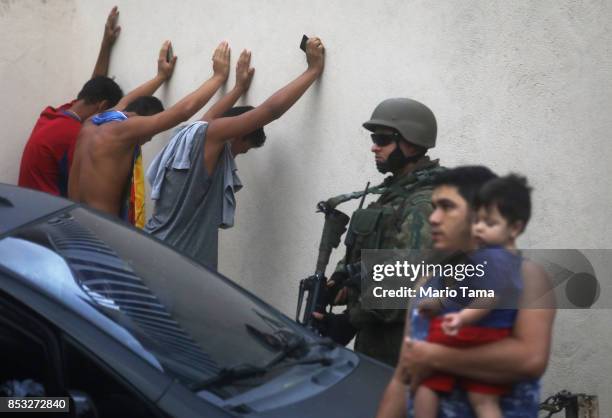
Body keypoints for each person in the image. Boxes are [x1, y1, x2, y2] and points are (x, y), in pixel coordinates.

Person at [375, 166, 556, 418]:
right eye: (434, 206)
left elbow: (530, 359)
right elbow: (402, 377)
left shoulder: (527, 277)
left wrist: (435, 356)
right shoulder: (427, 284)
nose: (433, 218)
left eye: (447, 207)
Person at [143, 37, 326, 270]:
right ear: (239, 134)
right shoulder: (210, 138)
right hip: (174, 267)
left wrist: (238, 88)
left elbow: (210, 116)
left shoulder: (189, 135)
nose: (236, 158)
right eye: (243, 150)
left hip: (152, 247)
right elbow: (270, 111)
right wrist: (312, 70)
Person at [311, 98, 444, 366]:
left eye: (382, 139)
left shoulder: (425, 203)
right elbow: (379, 252)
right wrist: (341, 279)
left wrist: (351, 320)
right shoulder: (395, 194)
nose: (374, 147)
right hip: (379, 342)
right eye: (374, 138)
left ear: (412, 143)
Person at [68, 41, 232, 221]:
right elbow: (182, 112)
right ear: (142, 120)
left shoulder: (93, 122)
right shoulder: (125, 130)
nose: (147, 140)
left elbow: (126, 101)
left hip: (73, 224)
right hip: (99, 232)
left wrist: (160, 77)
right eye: (150, 134)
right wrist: (218, 77)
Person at [413, 174, 533, 418]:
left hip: (474, 333)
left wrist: (462, 318)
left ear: (515, 228)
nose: (478, 228)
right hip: (493, 335)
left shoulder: (493, 258)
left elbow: (486, 297)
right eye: (477, 221)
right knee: (483, 400)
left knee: (426, 383)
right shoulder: (511, 260)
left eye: (488, 223)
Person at [18, 7, 123, 197]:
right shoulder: (75, 135)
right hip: (48, 218)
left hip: (26, 208)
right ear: (102, 107)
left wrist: (106, 44)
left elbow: (95, 85)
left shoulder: (52, 115)